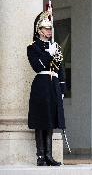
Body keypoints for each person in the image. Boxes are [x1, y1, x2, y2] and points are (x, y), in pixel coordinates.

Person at [27, 11, 66, 166]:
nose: (49, 31)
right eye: (46, 28)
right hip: (41, 83)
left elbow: (61, 69)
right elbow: (38, 66)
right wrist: (48, 55)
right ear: (39, 30)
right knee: (41, 120)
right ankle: (41, 156)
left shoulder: (55, 46)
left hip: (54, 84)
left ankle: (49, 155)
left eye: (50, 28)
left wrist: (62, 89)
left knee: (50, 120)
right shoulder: (33, 47)